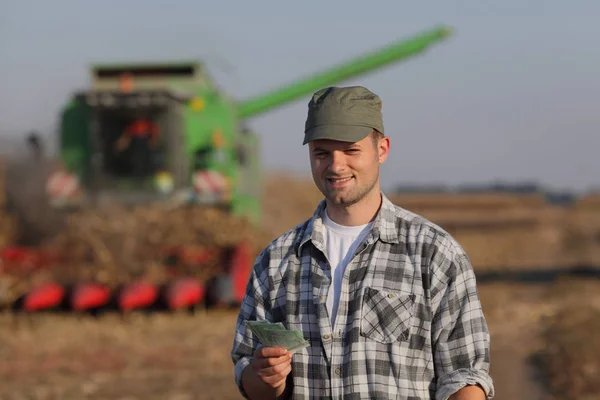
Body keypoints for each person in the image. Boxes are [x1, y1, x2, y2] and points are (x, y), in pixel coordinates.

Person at [231, 86, 495, 399]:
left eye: (351, 151)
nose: (336, 165)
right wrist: (266, 377)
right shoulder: (275, 260)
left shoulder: (434, 253)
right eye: (321, 153)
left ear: (381, 149)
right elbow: (249, 376)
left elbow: (465, 375)